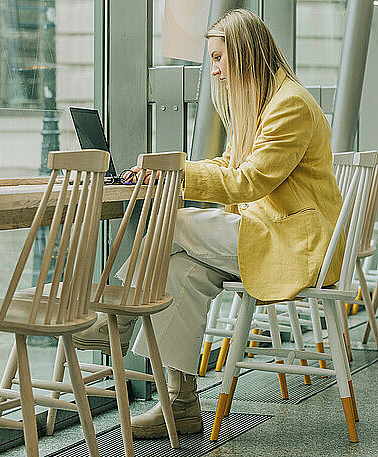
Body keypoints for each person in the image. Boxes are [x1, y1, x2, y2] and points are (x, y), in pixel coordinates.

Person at [72, 8, 345, 439]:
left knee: (174, 223)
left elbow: (249, 180)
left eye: (219, 58)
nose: (214, 71)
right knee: (182, 271)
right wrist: (175, 170)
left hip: (295, 242)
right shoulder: (264, 101)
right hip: (268, 230)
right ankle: (179, 405)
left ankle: (114, 316)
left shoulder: (289, 105)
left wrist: (177, 174)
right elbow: (230, 164)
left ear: (245, 53)